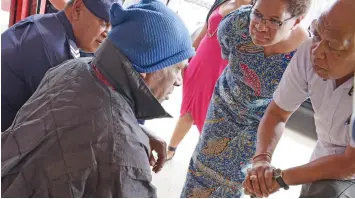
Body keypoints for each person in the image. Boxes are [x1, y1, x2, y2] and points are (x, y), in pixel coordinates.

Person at [1, 0, 195, 197]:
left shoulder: (73, 67)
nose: (179, 81)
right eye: (177, 69)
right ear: (148, 67)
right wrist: (129, 137)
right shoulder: (125, 158)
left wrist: (134, 130)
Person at [180, 0, 311, 197]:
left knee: (235, 185)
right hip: (221, 112)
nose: (259, 26)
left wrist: (263, 157)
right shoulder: (236, 24)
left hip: (258, 128)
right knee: (200, 171)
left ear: (297, 20)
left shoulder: (306, 57)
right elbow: (227, 56)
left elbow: (281, 115)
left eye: (274, 21)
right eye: (257, 14)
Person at [243, 0, 355, 197]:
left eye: (334, 47)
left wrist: (280, 178)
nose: (318, 52)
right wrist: (261, 159)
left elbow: (351, 164)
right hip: (325, 157)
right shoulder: (310, 49)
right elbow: (278, 113)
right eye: (317, 34)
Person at [1, 0, 117, 132]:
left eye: (111, 27)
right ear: (77, 9)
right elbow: (54, 127)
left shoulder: (48, 25)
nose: (107, 33)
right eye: (104, 23)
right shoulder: (53, 52)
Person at [166, 0, 252, 160]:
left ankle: (204, 158)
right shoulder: (223, 1)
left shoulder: (254, 14)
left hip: (220, 68)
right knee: (188, 109)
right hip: (200, 61)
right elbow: (205, 30)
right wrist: (187, 54)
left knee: (208, 114)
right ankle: (171, 147)